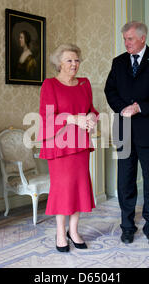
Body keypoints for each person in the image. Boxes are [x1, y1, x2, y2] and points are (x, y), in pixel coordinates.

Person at [104, 21, 149, 247]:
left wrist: (139, 107)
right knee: (125, 182)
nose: (126, 43)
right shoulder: (118, 62)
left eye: (130, 39)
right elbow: (109, 90)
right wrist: (123, 108)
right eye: (124, 39)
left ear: (143, 38)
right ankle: (127, 227)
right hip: (123, 129)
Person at [38, 44, 99, 252]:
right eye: (69, 60)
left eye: (76, 60)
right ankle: (59, 232)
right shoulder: (50, 85)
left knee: (78, 187)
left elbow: (91, 109)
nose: (74, 64)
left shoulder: (84, 84)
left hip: (80, 145)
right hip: (59, 145)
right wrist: (74, 119)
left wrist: (91, 117)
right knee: (63, 189)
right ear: (59, 63)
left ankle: (73, 231)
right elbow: (47, 118)